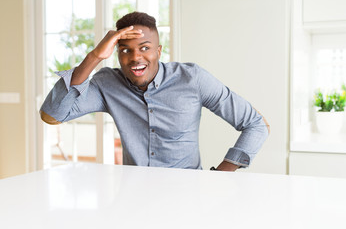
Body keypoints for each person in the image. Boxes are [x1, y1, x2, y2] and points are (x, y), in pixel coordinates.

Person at [40, 12, 270, 171]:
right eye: (125, 51)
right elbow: (51, 115)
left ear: (158, 51)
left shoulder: (192, 79)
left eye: (145, 48)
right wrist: (94, 57)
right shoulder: (106, 83)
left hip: (187, 195)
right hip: (134, 196)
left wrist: (221, 175)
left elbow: (257, 124)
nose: (135, 57)